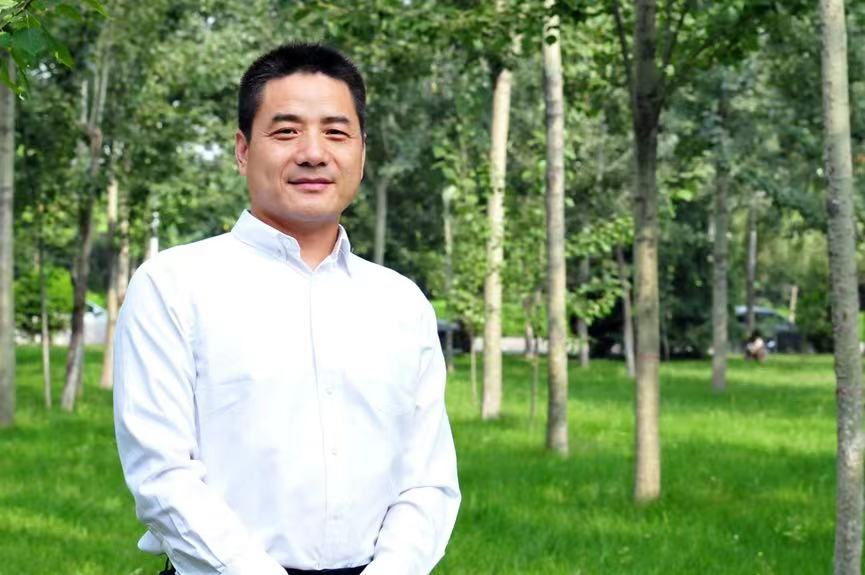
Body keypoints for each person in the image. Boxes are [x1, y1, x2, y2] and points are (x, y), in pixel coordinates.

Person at [113, 43, 460, 575]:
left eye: (336, 133)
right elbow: (162, 476)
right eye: (286, 131)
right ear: (243, 150)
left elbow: (428, 480)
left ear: (362, 153)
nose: (313, 153)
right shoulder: (174, 286)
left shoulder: (400, 303)